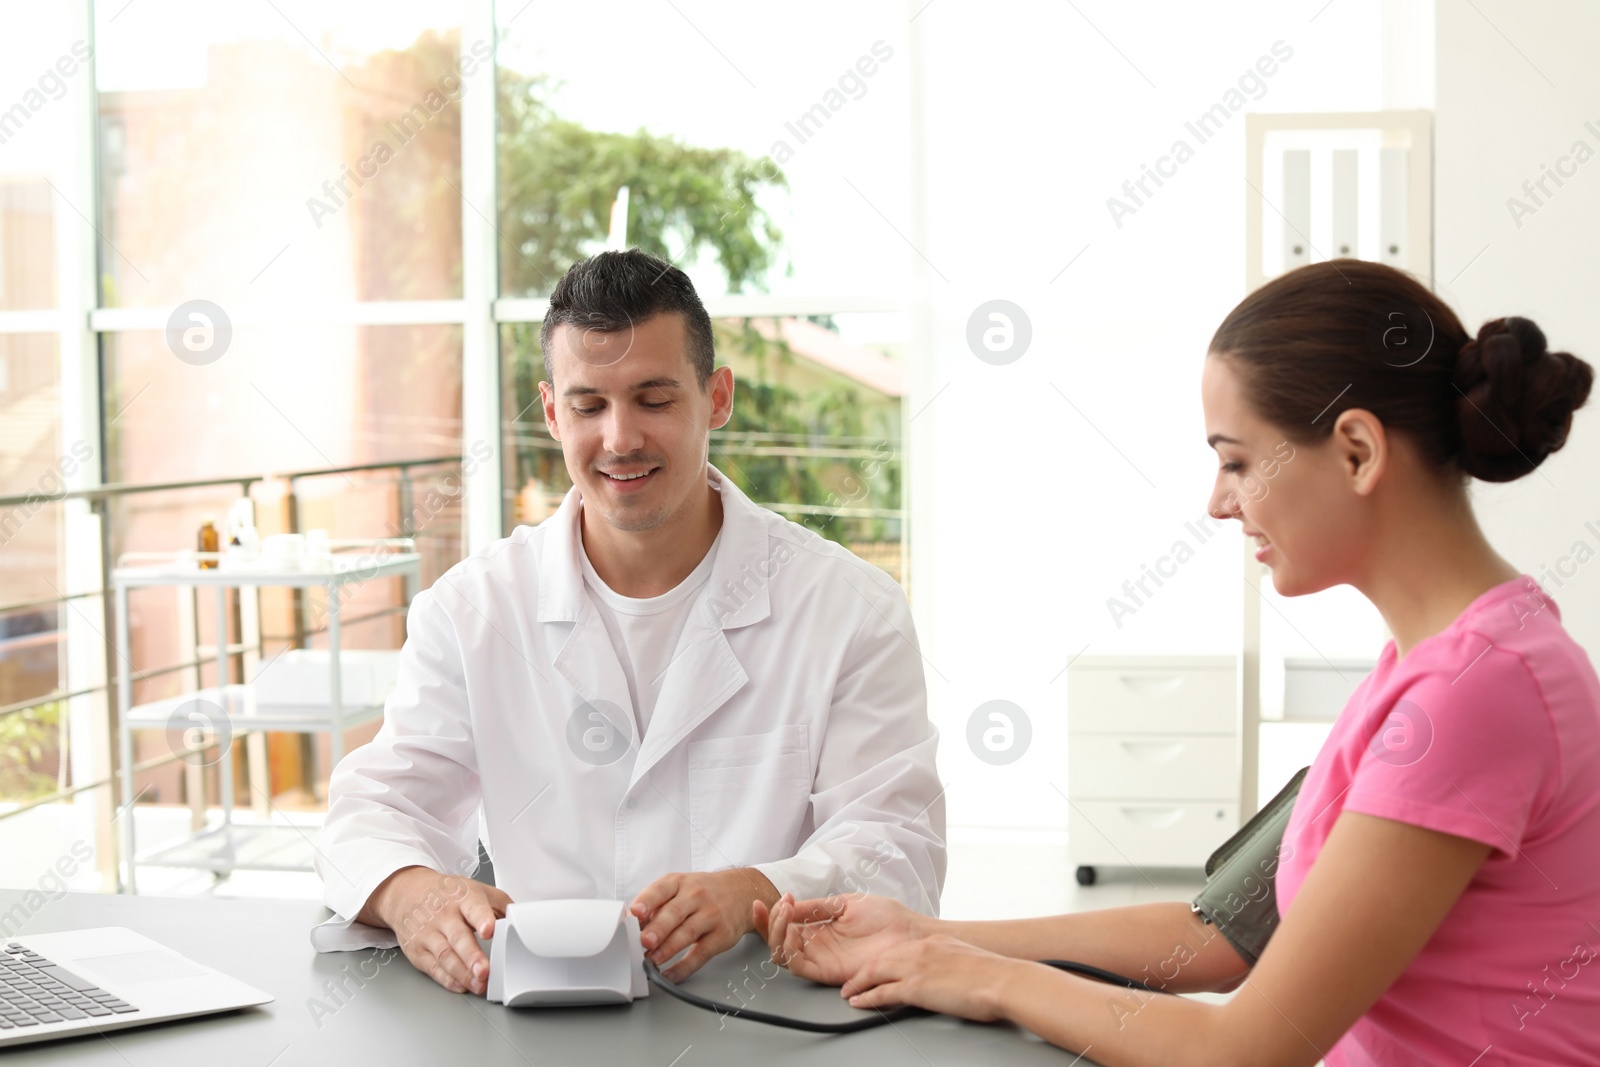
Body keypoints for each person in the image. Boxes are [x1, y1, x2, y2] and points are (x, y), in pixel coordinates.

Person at [756, 260, 1600, 1066]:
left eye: (1237, 460)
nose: (1219, 500)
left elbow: (1245, 1049)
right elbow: (1226, 934)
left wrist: (981, 978)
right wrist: (929, 936)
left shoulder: (1473, 692)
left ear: (1356, 451)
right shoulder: (1431, 667)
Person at [311, 249, 945, 995]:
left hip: (771, 1015)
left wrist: (758, 889)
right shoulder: (471, 611)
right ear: (551, 412)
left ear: (716, 398)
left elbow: (900, 850)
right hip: (542, 1023)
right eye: (589, 406)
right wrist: (412, 892)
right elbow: (375, 807)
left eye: (654, 399)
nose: (620, 438)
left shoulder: (849, 610)